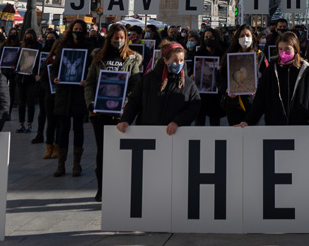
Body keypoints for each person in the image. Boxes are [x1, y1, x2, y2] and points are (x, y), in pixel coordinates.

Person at [85, 23, 143, 202]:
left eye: (122, 38)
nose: (118, 41)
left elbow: (135, 85)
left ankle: (119, 186)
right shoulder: (98, 57)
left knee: (119, 151)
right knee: (102, 151)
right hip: (99, 111)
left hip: (120, 113)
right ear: (109, 38)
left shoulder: (132, 59)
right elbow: (90, 82)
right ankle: (102, 187)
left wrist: (125, 104)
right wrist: (90, 103)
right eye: (116, 37)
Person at [242, 32, 309, 139]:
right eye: (280, 49)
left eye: (287, 49)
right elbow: (259, 101)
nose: (283, 52)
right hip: (275, 129)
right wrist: (248, 121)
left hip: (300, 130)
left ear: (295, 49)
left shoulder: (307, 72)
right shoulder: (270, 71)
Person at [117, 40, 200, 134]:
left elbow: (194, 106)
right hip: (148, 132)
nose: (179, 64)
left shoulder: (188, 83)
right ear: (165, 60)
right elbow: (134, 101)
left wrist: (178, 121)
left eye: (181, 60)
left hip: (176, 135)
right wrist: (125, 119)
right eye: (175, 60)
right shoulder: (148, 80)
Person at [48, 19, 92, 177]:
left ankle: (76, 164)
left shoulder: (89, 47)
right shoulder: (63, 47)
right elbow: (54, 68)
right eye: (75, 28)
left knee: (78, 128)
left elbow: (92, 70)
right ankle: (61, 164)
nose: (77, 31)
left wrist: (87, 80)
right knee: (62, 130)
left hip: (79, 93)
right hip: (63, 93)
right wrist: (54, 78)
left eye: (80, 29)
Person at [221, 25, 265, 125]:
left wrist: (257, 88)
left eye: (247, 35)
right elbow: (221, 77)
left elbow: (265, 77)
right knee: (235, 132)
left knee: (251, 131)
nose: (245, 38)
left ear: (252, 37)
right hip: (233, 104)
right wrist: (226, 89)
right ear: (237, 38)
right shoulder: (229, 55)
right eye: (242, 35)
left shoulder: (260, 56)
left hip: (252, 104)